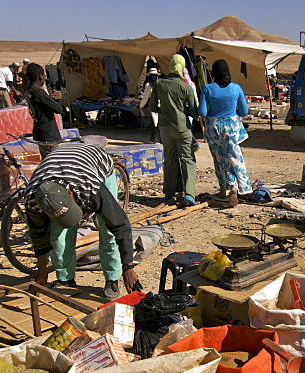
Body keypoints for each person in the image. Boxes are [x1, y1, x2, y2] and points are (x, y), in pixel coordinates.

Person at [24, 141, 143, 300]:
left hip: (94, 163)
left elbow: (120, 225)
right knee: (58, 236)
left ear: (70, 193)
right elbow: (38, 236)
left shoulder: (91, 187)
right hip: (57, 167)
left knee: (107, 230)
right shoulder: (34, 201)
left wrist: (128, 267)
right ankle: (65, 280)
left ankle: (112, 279)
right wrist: (42, 270)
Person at [199, 59, 252, 205]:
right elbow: (244, 111)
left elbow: (202, 112)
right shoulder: (236, 88)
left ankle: (223, 190)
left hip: (213, 127)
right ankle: (239, 188)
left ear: (213, 73)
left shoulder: (207, 89)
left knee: (219, 159)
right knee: (234, 157)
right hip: (232, 126)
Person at [148, 54, 198, 208]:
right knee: (187, 159)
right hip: (182, 127)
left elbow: (151, 107)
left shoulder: (159, 84)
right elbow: (194, 112)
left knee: (170, 159)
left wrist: (164, 111)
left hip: (164, 127)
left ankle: (169, 192)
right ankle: (189, 193)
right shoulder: (185, 86)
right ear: (182, 68)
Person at [25, 63, 64, 159]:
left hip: (39, 132)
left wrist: (53, 100)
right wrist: (57, 100)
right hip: (49, 134)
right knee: (55, 163)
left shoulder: (29, 91)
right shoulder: (39, 93)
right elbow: (59, 109)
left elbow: (45, 107)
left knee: (47, 161)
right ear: (40, 76)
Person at [138, 67, 160, 143]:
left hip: (154, 105)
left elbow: (145, 97)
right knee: (159, 122)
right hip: (161, 105)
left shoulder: (148, 85)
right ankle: (159, 139)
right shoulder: (161, 83)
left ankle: (155, 139)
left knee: (155, 123)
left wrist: (141, 106)